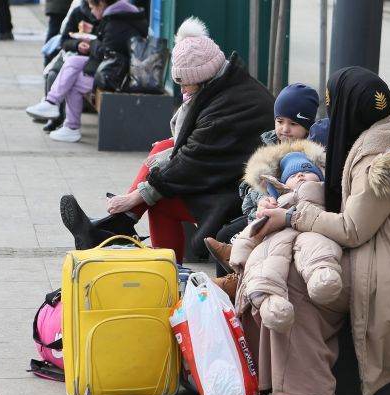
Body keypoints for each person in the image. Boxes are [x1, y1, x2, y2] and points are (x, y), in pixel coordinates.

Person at [241, 67, 390, 395]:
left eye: (333, 102)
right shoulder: (387, 134)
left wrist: (293, 217)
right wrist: (285, 199)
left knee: (296, 283)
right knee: (286, 266)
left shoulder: (379, 161)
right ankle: (278, 382)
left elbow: (353, 229)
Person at [59, 17, 275, 263]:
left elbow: (190, 162)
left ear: (203, 77)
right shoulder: (226, 85)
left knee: (161, 201)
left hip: (240, 193)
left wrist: (137, 196)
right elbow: (193, 150)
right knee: (164, 151)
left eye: (186, 84)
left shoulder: (226, 109)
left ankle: (164, 269)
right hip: (229, 174)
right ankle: (123, 226)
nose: (182, 91)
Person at [204, 83, 320, 277]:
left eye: (293, 124)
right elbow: (249, 186)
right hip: (261, 210)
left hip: (289, 215)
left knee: (236, 239)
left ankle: (236, 282)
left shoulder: (311, 152)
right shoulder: (269, 144)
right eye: (280, 121)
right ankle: (228, 290)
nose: (284, 129)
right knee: (225, 234)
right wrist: (259, 199)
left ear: (307, 127)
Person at [229, 143, 344, 335]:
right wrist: (241, 251)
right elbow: (254, 229)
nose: (300, 176)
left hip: (311, 230)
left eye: (307, 171)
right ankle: (270, 302)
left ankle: (322, 275)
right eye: (292, 175)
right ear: (281, 185)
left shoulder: (325, 193)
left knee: (318, 246)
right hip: (279, 235)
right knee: (265, 260)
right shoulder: (278, 200)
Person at [26, 0, 148, 142]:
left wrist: (92, 43)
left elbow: (107, 53)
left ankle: (70, 126)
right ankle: (52, 103)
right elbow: (110, 50)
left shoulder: (117, 22)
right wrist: (90, 40)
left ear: (101, 4)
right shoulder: (120, 16)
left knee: (74, 81)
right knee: (73, 62)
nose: (92, 12)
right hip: (118, 70)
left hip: (119, 78)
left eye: (92, 8)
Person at [41, 0, 100, 132]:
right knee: (53, 74)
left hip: (93, 61)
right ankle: (55, 116)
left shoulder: (105, 16)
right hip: (73, 55)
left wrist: (92, 38)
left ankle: (70, 124)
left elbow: (104, 43)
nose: (91, 8)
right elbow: (64, 41)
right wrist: (77, 45)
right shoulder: (78, 12)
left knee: (72, 77)